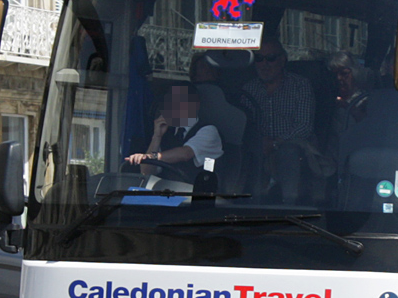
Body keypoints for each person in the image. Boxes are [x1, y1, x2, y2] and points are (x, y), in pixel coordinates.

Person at [237, 38, 315, 202]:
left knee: (289, 152)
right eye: (259, 58)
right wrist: (260, 143)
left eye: (271, 58)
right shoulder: (248, 89)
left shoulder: (300, 85)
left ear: (283, 59)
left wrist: (275, 143)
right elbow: (244, 127)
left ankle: (289, 207)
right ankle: (250, 206)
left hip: (291, 146)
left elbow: (304, 126)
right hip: (258, 149)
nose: (264, 64)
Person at [125, 84, 223, 183]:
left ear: (195, 104)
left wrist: (150, 156)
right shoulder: (167, 133)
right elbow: (147, 172)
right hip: (166, 190)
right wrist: (157, 136)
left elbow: (185, 154)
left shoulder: (209, 131)